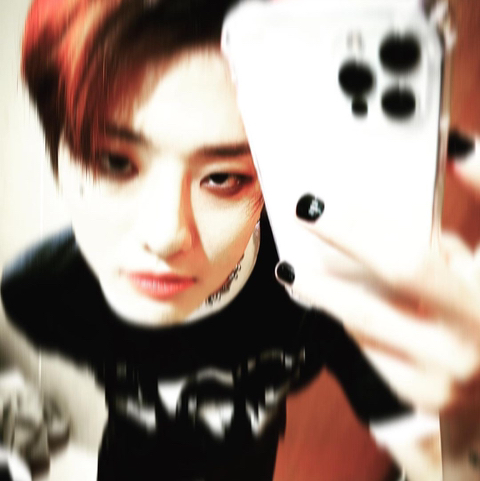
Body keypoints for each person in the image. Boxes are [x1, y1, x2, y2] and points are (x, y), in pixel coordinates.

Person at [1, 0, 480, 480]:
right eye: (114, 161)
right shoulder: (38, 293)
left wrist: (467, 428)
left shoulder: (319, 290)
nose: (165, 236)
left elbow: (432, 458)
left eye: (224, 177)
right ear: (56, 150)